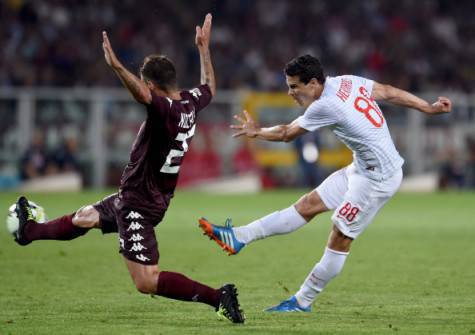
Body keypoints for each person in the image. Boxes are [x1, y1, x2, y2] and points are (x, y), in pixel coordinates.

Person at [12, 14, 244, 323]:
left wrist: (117, 67)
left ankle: (219, 297)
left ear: (151, 84)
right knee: (85, 218)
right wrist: (204, 49)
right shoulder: (189, 103)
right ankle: (29, 231)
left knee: (146, 280)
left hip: (140, 204)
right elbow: (209, 87)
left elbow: (143, 96)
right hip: (137, 195)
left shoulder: (164, 108)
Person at [199, 54, 451, 312]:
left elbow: (287, 133)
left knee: (340, 237)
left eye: (294, 86)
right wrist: (427, 108)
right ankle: (239, 236)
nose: (290, 92)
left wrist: (258, 132)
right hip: (361, 169)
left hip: (377, 180)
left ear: (313, 84)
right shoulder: (347, 81)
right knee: (307, 205)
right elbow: (387, 92)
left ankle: (302, 301)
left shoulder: (325, 105)